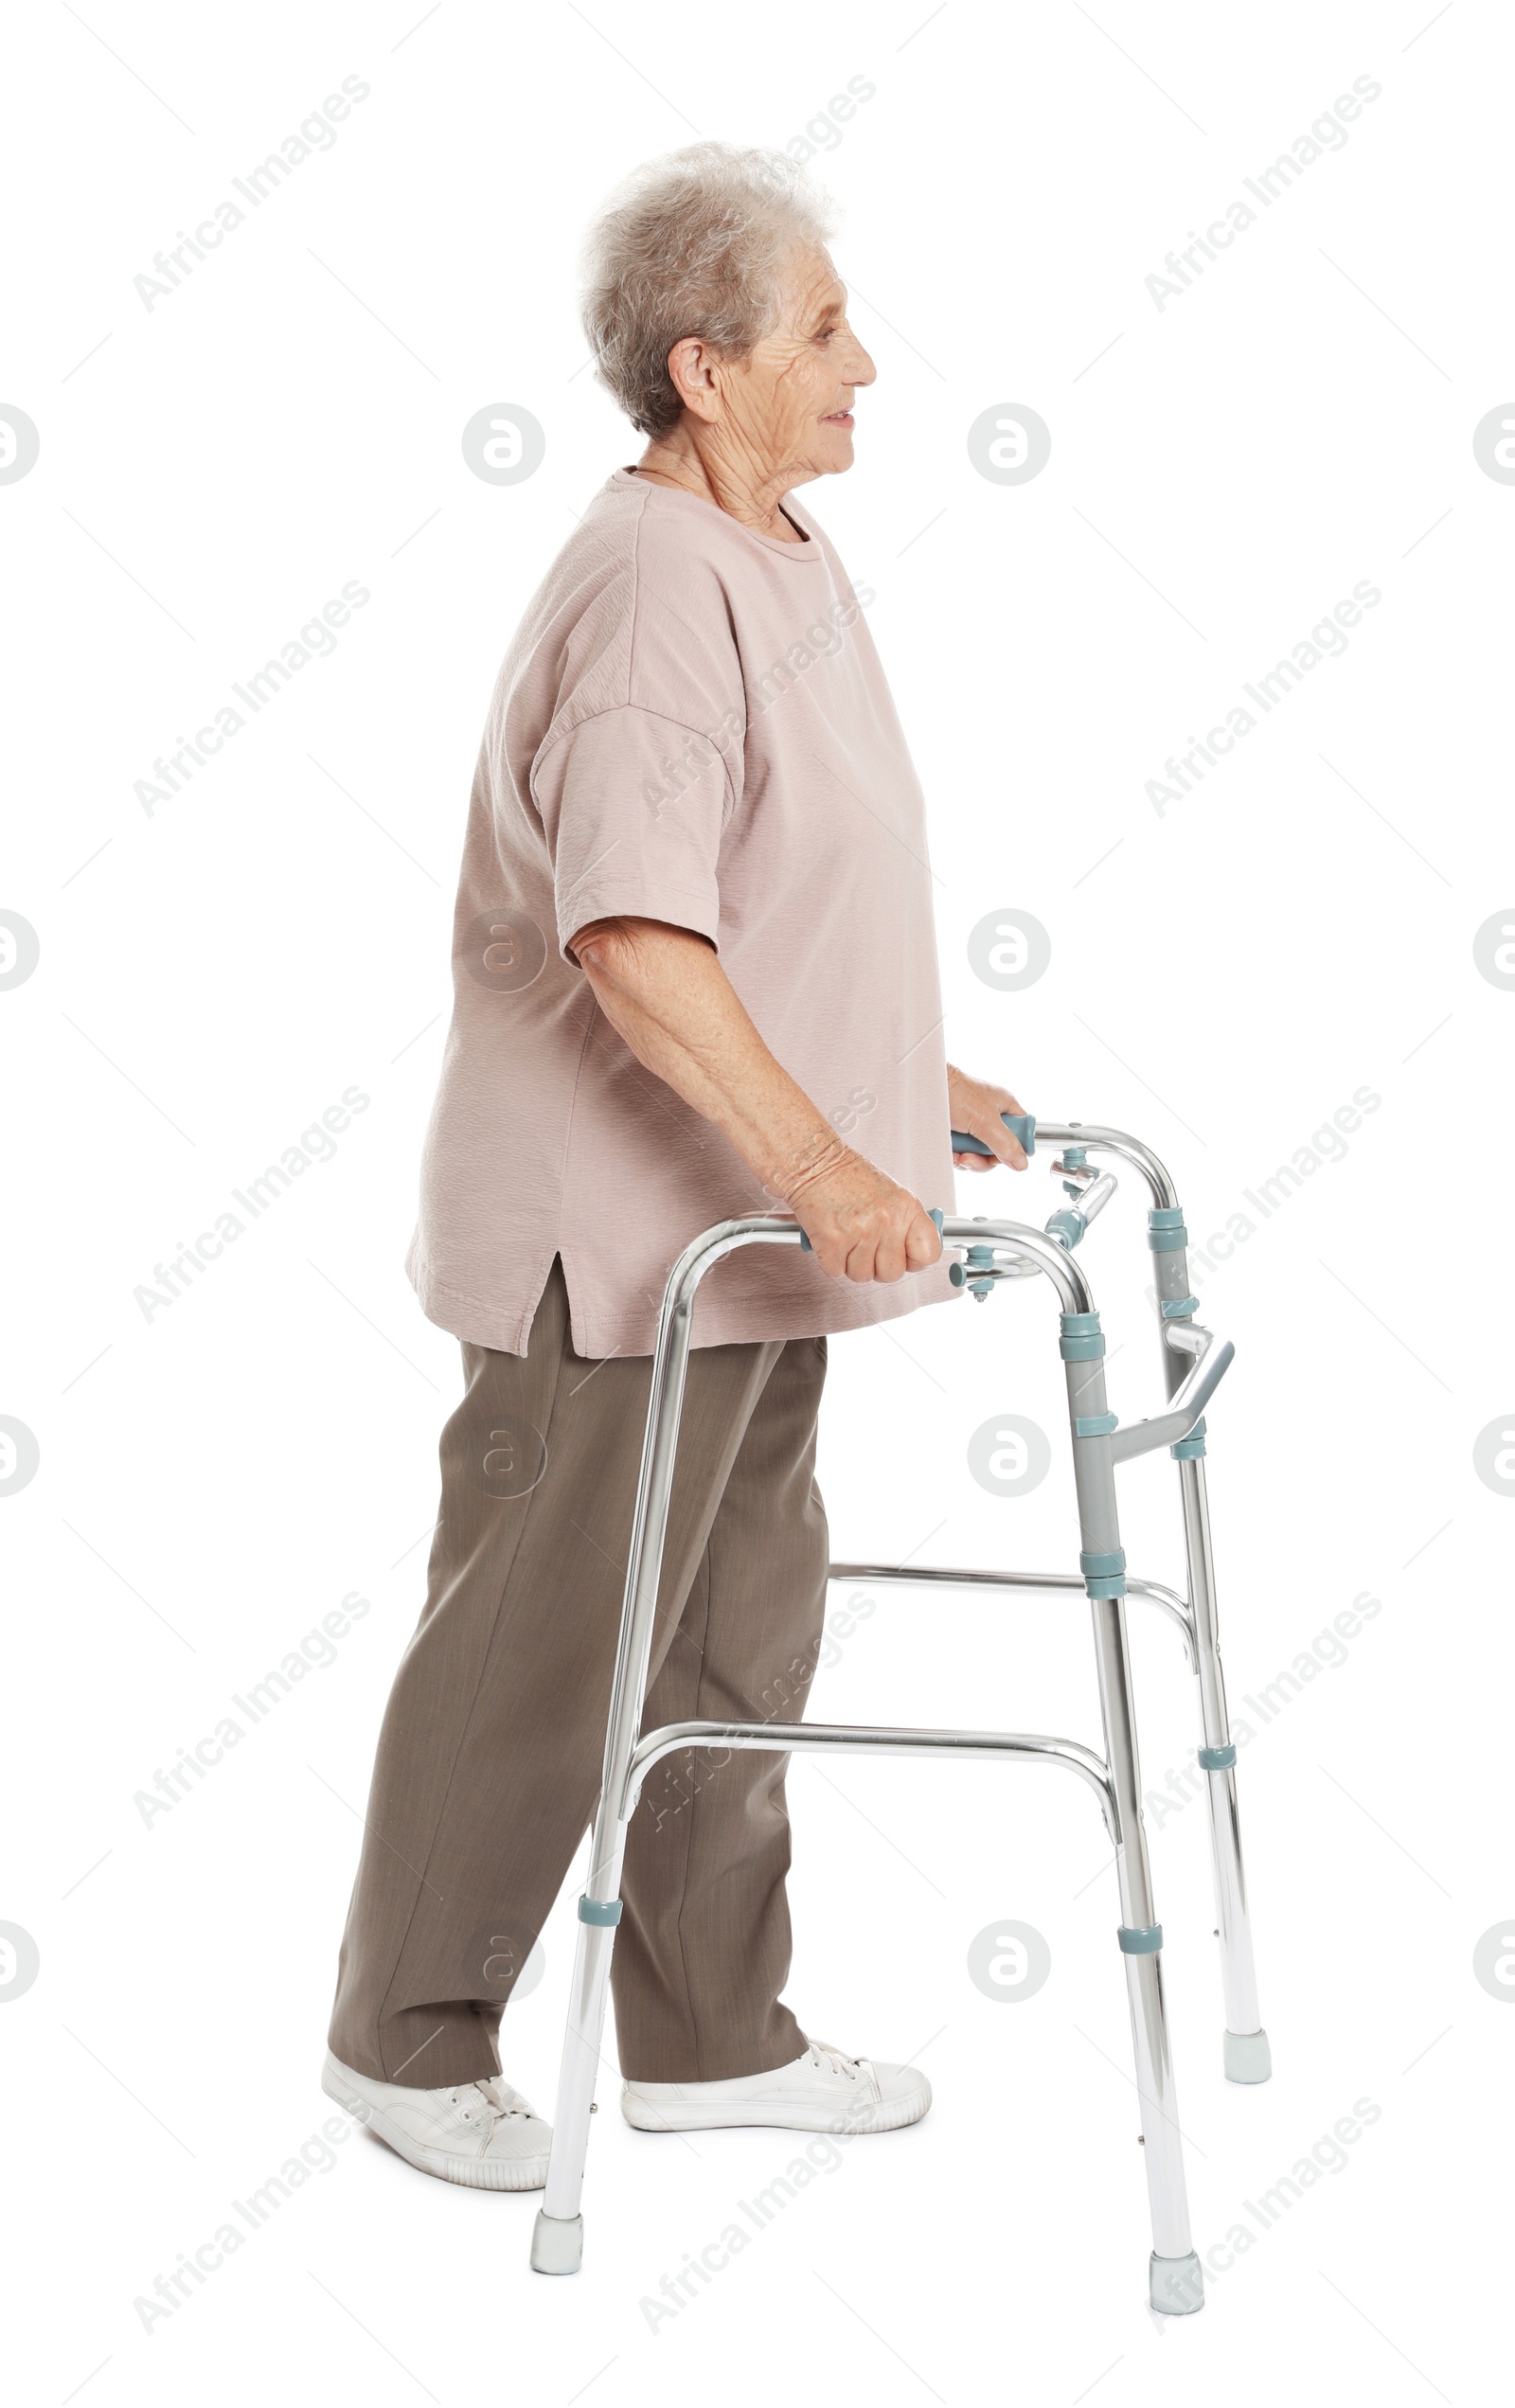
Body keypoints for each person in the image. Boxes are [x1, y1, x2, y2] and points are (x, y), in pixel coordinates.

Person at [322, 141, 1026, 2191]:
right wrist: (824, 1164)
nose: (865, 365)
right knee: (542, 1643)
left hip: (739, 1231)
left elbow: (770, 890)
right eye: (822, 330)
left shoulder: (771, 548)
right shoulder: (650, 587)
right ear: (704, 370)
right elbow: (633, 940)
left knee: (732, 1639)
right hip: (621, 1244)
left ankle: (711, 2038)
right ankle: (404, 2041)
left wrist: (913, 1084)